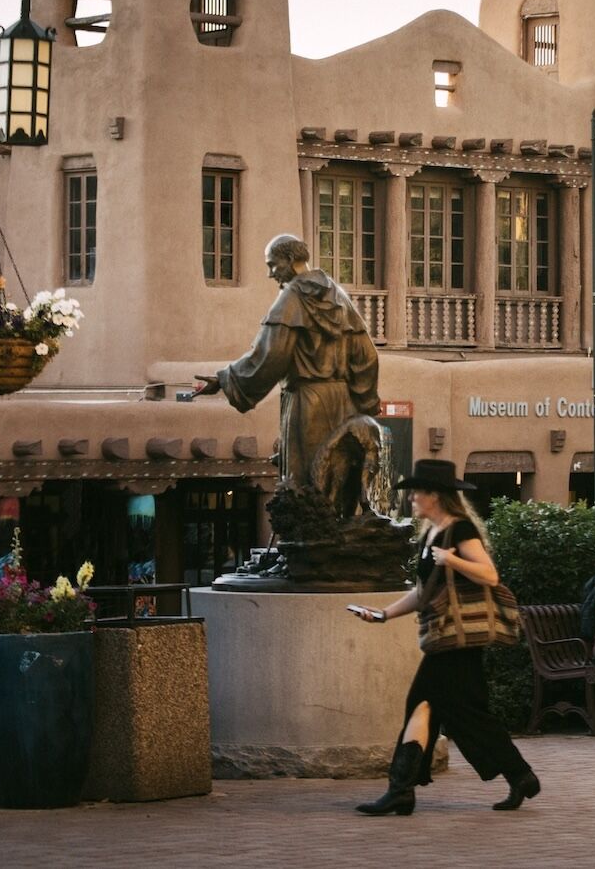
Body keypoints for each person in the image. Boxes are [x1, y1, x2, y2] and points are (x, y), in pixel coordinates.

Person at [348, 459, 541, 814]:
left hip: (458, 640)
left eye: (417, 493)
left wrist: (453, 561)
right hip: (446, 638)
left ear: (435, 495)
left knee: (423, 703)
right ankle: (520, 775)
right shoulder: (431, 535)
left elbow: (489, 575)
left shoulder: (460, 531)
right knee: (466, 714)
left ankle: (401, 790)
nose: (412, 500)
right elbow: (423, 594)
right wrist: (383, 615)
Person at [194, 233, 381, 505]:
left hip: (308, 404)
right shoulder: (338, 296)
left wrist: (225, 380)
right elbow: (367, 356)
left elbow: (271, 356)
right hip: (345, 403)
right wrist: (364, 401)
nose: (271, 274)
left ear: (292, 260)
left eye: (273, 265)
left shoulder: (293, 297)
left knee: (305, 487)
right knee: (338, 489)